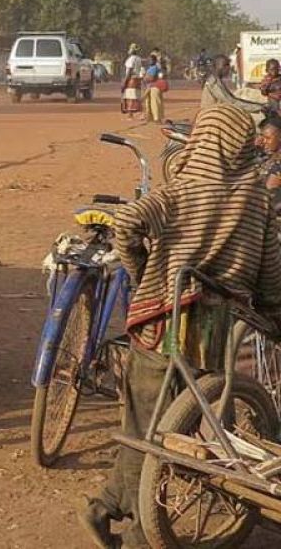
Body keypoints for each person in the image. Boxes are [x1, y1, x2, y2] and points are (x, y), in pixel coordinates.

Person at [79, 104, 281, 548]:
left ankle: (116, 515)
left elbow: (128, 222)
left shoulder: (180, 190)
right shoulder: (256, 199)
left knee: (143, 425)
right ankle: (125, 521)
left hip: (160, 322)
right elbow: (270, 276)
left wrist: (143, 271)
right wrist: (271, 314)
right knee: (184, 430)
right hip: (216, 332)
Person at [120, 43, 144, 119]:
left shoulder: (131, 59)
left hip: (131, 80)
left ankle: (130, 115)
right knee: (137, 96)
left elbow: (129, 71)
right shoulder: (139, 58)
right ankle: (141, 113)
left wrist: (125, 81)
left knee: (130, 96)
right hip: (137, 79)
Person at [143, 53, 166, 123]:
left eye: (151, 60)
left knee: (155, 103)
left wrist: (145, 78)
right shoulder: (151, 68)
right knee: (149, 103)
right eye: (149, 60)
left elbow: (152, 78)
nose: (149, 61)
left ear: (154, 61)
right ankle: (150, 117)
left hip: (154, 87)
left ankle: (157, 118)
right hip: (150, 86)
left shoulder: (154, 68)